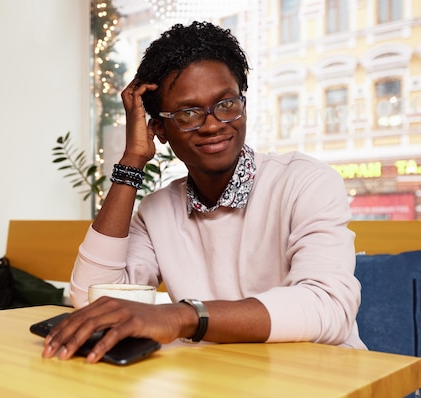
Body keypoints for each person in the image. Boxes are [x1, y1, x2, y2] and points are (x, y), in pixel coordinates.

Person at [42, 21, 366, 363]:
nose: (212, 124)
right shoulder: (156, 212)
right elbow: (92, 300)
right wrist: (132, 161)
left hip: (322, 378)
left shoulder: (306, 181)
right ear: (160, 129)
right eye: (187, 114)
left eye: (226, 104)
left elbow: (328, 307)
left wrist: (182, 316)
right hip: (220, 379)